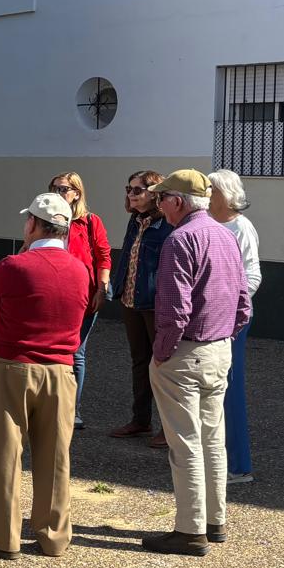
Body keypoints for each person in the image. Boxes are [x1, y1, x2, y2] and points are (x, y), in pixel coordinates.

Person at [0, 192, 92, 559]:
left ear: (33, 224)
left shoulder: (15, 265)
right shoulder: (79, 270)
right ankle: (53, 535)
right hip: (61, 369)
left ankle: (3, 537)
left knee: (5, 453)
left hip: (13, 366)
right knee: (55, 455)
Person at [142, 170, 252, 557]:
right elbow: (243, 301)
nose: (158, 206)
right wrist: (224, 336)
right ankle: (214, 521)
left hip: (186, 351)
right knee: (212, 438)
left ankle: (190, 531)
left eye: (161, 199)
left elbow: (175, 309)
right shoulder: (225, 234)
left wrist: (161, 353)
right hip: (219, 347)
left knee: (185, 442)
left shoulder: (181, 239)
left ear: (177, 202)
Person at [109, 170, 173, 445]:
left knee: (162, 364)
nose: (131, 195)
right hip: (130, 299)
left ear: (155, 194)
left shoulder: (168, 225)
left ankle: (168, 427)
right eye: (129, 189)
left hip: (154, 303)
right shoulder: (134, 221)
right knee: (139, 362)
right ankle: (141, 420)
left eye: (138, 190)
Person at [209, 169, 262, 485]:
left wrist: (228, 306)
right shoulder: (207, 225)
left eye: (211, 190)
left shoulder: (241, 227)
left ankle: (239, 465)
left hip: (232, 319)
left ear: (225, 194)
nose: (207, 196)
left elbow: (252, 276)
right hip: (210, 318)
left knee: (230, 387)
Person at [49, 172, 111, 431]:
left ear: (77, 193)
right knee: (51, 351)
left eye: (63, 189)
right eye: (54, 188)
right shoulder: (48, 219)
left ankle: (71, 409)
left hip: (84, 296)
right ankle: (50, 406)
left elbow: (103, 255)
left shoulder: (89, 222)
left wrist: (101, 288)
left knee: (76, 353)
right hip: (54, 294)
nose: (58, 193)